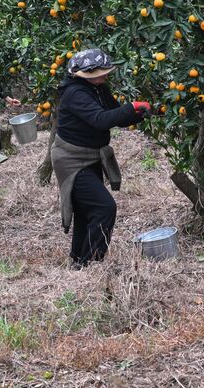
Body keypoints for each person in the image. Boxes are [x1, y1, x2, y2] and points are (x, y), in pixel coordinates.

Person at [49, 48, 150, 266]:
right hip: (71, 160)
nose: (105, 75)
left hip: (91, 155)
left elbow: (117, 118)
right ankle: (91, 262)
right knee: (104, 208)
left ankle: (78, 262)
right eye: (101, 72)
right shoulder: (75, 93)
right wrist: (130, 107)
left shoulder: (98, 89)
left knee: (87, 212)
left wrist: (142, 113)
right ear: (86, 73)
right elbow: (100, 120)